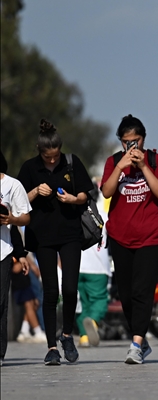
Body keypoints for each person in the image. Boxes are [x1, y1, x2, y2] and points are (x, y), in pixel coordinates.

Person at [17, 120, 94, 365]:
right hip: (42, 237)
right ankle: (52, 347)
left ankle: (67, 334)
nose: (52, 161)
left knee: (70, 288)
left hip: (71, 233)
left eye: (55, 156)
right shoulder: (29, 169)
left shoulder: (72, 162)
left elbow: (85, 194)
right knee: (51, 291)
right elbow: (19, 203)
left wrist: (73, 198)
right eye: (47, 157)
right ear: (40, 152)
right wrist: (34, 193)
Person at [100, 115, 158, 365]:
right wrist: (121, 166)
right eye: (126, 142)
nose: (132, 147)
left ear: (143, 139)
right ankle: (140, 338)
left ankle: (136, 344)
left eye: (136, 141)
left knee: (143, 292)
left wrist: (142, 167)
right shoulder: (113, 162)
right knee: (127, 296)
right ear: (121, 142)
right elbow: (107, 191)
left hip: (150, 236)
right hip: (120, 237)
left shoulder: (156, 160)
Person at [1, 150, 32, 366]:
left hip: (3, 251)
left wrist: (20, 255)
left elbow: (24, 220)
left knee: (1, 302)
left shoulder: (12, 185)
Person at [76, 188, 110, 348]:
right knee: (99, 300)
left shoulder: (75, 215)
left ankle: (83, 337)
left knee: (82, 303)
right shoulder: (104, 215)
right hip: (98, 268)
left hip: (77, 266)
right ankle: (94, 322)